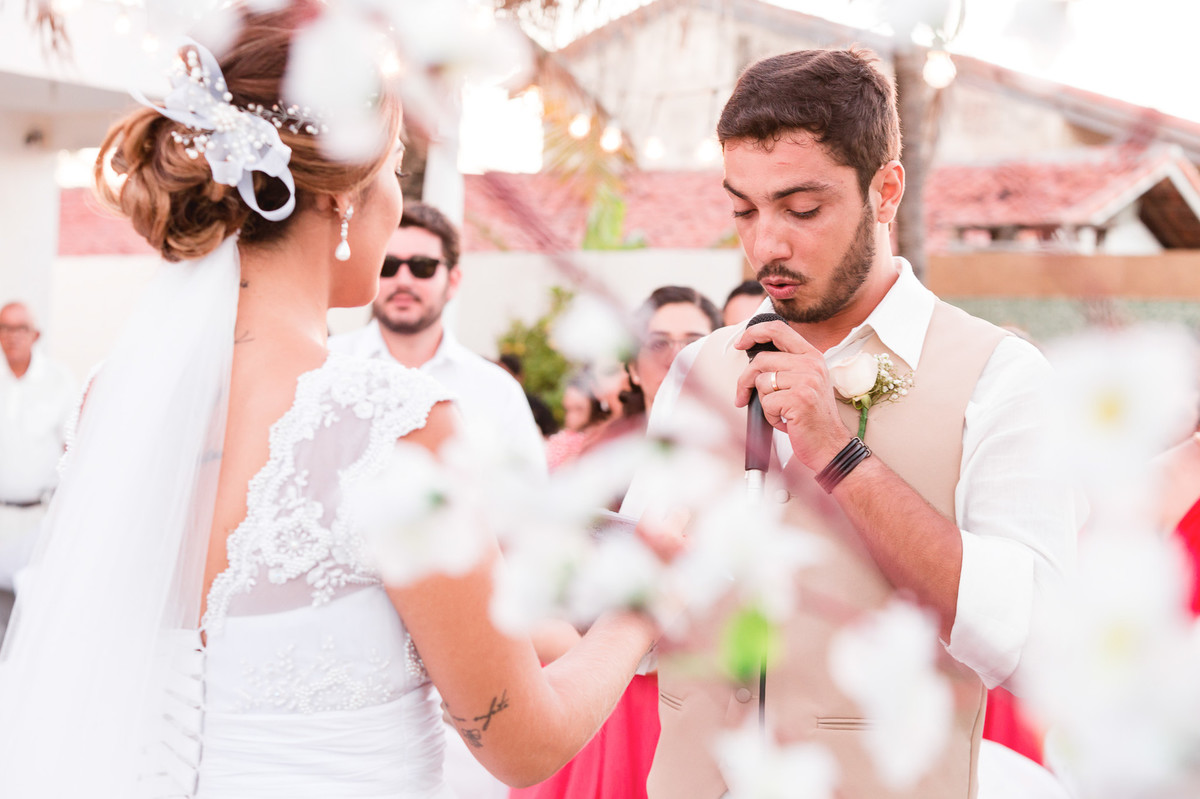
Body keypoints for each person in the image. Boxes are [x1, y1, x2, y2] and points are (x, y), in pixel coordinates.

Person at [0, 6, 657, 797]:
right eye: (391, 173)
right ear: (342, 200)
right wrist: (642, 609)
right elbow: (523, 742)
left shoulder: (117, 395)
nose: (391, 199)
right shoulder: (393, 422)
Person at [621, 47, 1075, 798]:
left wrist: (838, 453)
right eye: (743, 208)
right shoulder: (695, 370)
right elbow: (631, 624)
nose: (766, 243)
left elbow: (1030, 643)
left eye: (802, 209)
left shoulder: (1002, 379)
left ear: (886, 190)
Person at [512, 286, 721, 799]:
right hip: (594, 676)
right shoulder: (590, 460)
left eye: (694, 340)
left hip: (691, 686)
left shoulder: (737, 455)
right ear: (631, 363)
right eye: (658, 341)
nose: (676, 355)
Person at [329, 202, 546, 476]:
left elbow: (527, 498)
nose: (403, 280)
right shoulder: (326, 363)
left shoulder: (498, 391)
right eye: (389, 265)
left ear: (453, 281)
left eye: (422, 267)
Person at [0, 301, 78, 638]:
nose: (12, 336)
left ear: (35, 335)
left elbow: (73, 447)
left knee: (31, 619)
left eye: (20, 328)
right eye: (4, 327)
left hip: (37, 518)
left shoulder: (59, 380)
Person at [543, 369, 609, 471]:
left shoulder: (605, 438)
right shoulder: (560, 443)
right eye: (567, 410)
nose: (571, 417)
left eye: (579, 409)